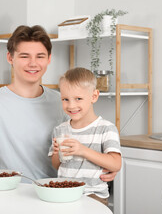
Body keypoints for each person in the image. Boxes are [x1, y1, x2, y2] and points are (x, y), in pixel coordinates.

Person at [0, 25, 118, 182]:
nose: (33, 63)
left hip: (53, 194)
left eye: (40, 56)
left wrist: (105, 166)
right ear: (10, 58)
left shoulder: (64, 103)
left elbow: (87, 144)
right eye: (24, 56)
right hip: (6, 197)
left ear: (49, 59)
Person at [49, 67, 122, 206]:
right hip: (65, 193)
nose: (71, 105)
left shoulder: (105, 128)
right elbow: (56, 165)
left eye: (78, 99)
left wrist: (82, 150)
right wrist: (57, 153)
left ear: (94, 96)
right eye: (65, 99)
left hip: (93, 195)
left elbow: (116, 164)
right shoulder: (60, 130)